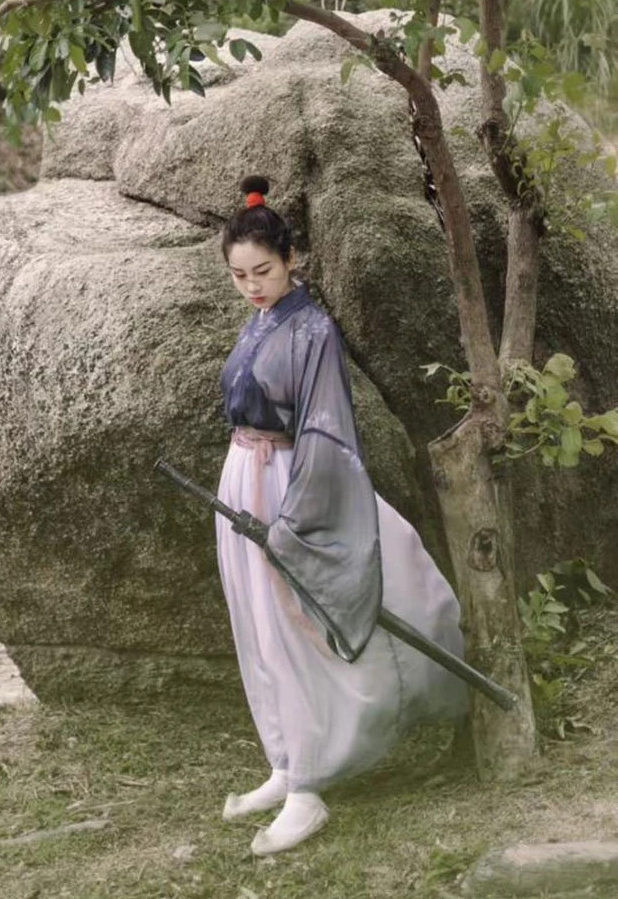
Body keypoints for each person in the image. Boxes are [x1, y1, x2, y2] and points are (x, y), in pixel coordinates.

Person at [216, 175, 468, 856]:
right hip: (245, 478)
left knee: (301, 632)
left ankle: (309, 785)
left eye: (263, 271)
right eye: (239, 275)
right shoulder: (258, 323)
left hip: (293, 484)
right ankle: (285, 760)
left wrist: (297, 519)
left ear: (291, 259)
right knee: (260, 628)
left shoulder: (314, 329)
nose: (252, 286)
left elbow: (325, 430)